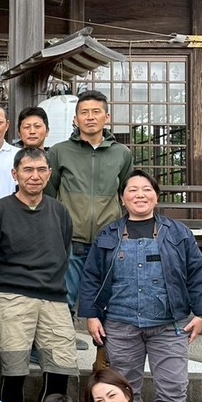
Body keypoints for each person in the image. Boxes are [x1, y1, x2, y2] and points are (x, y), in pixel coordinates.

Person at [79, 170, 202, 402]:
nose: (139, 195)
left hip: (169, 326)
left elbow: (197, 272)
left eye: (146, 189)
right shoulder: (108, 234)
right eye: (132, 190)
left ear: (156, 197)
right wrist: (92, 315)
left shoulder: (178, 233)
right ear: (122, 198)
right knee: (124, 391)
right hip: (120, 325)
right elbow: (92, 277)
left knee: (173, 389)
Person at [0, 148, 77, 402]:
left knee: (60, 367)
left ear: (49, 173)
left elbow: (64, 250)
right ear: (15, 174)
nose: (34, 175)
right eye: (27, 170)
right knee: (13, 369)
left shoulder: (60, 212)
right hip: (12, 295)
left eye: (41, 170)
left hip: (53, 297)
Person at [47, 89, 134, 316]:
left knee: (109, 301)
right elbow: (49, 194)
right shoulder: (59, 152)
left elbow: (128, 193)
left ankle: (107, 351)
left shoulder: (122, 153)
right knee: (63, 300)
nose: (90, 117)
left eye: (96, 112)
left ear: (107, 118)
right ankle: (61, 349)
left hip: (109, 239)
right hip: (70, 239)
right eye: (84, 112)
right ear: (75, 120)